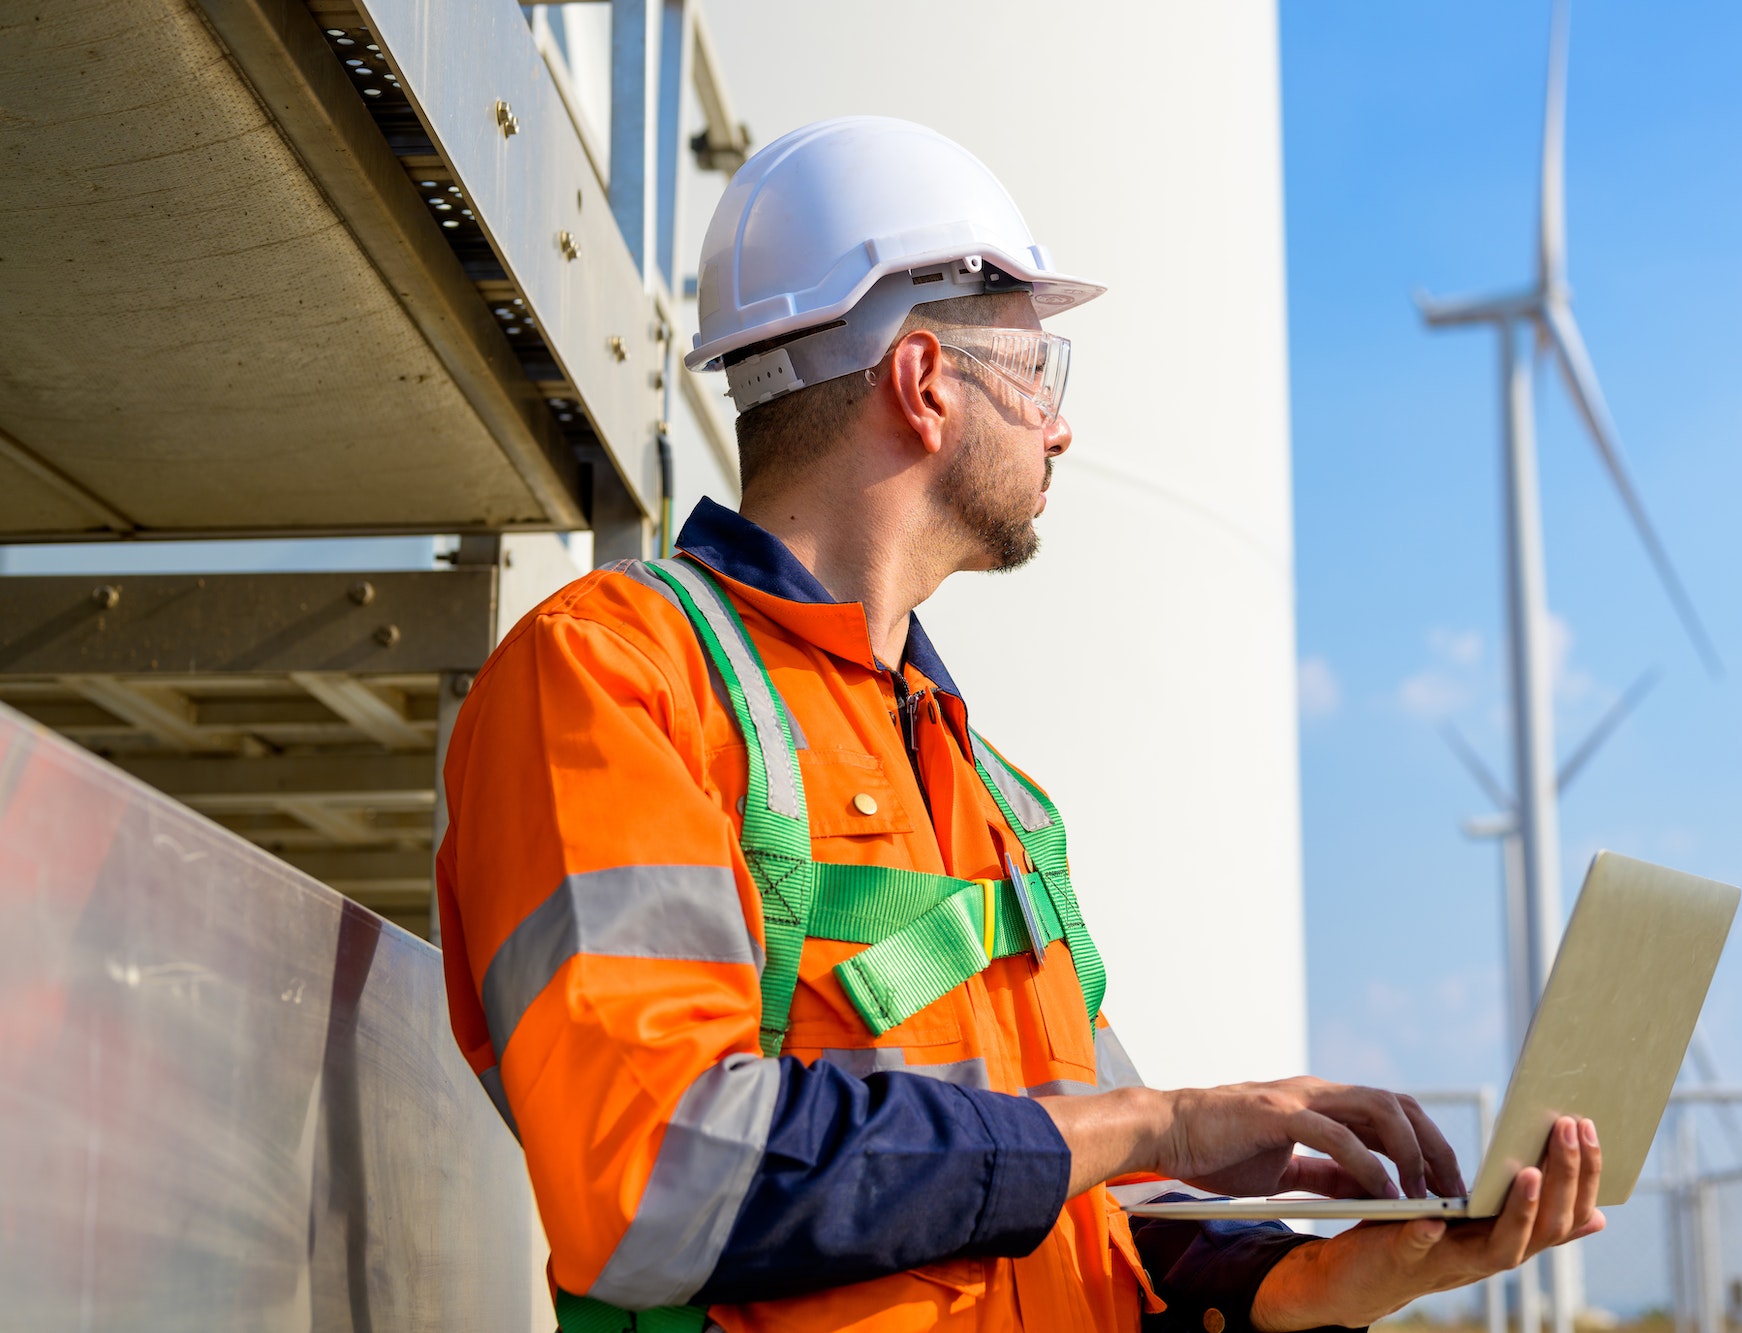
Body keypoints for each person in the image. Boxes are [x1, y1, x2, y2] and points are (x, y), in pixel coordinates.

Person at [435, 115, 1604, 1333]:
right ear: (925, 383)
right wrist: (1164, 1121)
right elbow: (658, 1178)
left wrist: (1325, 1278)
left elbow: (1107, 1202)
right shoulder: (611, 679)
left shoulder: (1001, 803)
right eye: (1038, 373)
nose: (1059, 426)